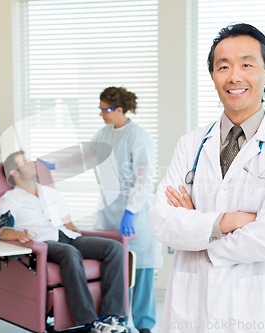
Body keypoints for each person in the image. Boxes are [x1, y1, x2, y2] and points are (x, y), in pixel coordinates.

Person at [149, 23, 265, 333]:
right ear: (212, 75)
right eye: (223, 66)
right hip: (190, 305)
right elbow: (161, 221)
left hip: (254, 308)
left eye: (247, 64)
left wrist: (199, 234)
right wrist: (224, 222)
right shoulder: (191, 143)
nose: (234, 76)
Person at [0, 150, 128, 333]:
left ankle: (111, 316)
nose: (32, 162)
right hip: (42, 242)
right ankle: (89, 322)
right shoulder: (10, 199)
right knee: (69, 253)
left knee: (114, 248)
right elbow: (3, 231)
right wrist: (18, 235)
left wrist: (85, 240)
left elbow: (69, 224)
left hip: (68, 236)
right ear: (14, 173)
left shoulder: (50, 193)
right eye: (25, 162)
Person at [93, 86, 162, 333]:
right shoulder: (102, 134)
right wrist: (54, 163)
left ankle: (144, 326)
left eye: (105, 109)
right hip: (108, 212)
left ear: (119, 109)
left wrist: (131, 211)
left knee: (141, 270)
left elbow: (143, 178)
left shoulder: (137, 135)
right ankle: (115, 320)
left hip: (136, 216)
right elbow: (84, 157)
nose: (101, 114)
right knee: (112, 270)